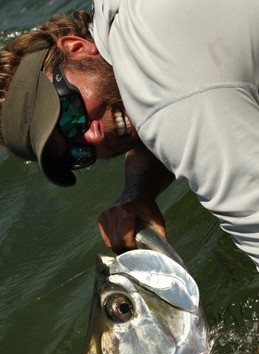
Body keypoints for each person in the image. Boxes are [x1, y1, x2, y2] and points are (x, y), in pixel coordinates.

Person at [0, 1, 259, 271]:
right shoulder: (120, 15)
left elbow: (167, 109)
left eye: (70, 115)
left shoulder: (164, 102)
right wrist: (138, 193)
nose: (93, 136)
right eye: (76, 153)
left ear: (76, 47)